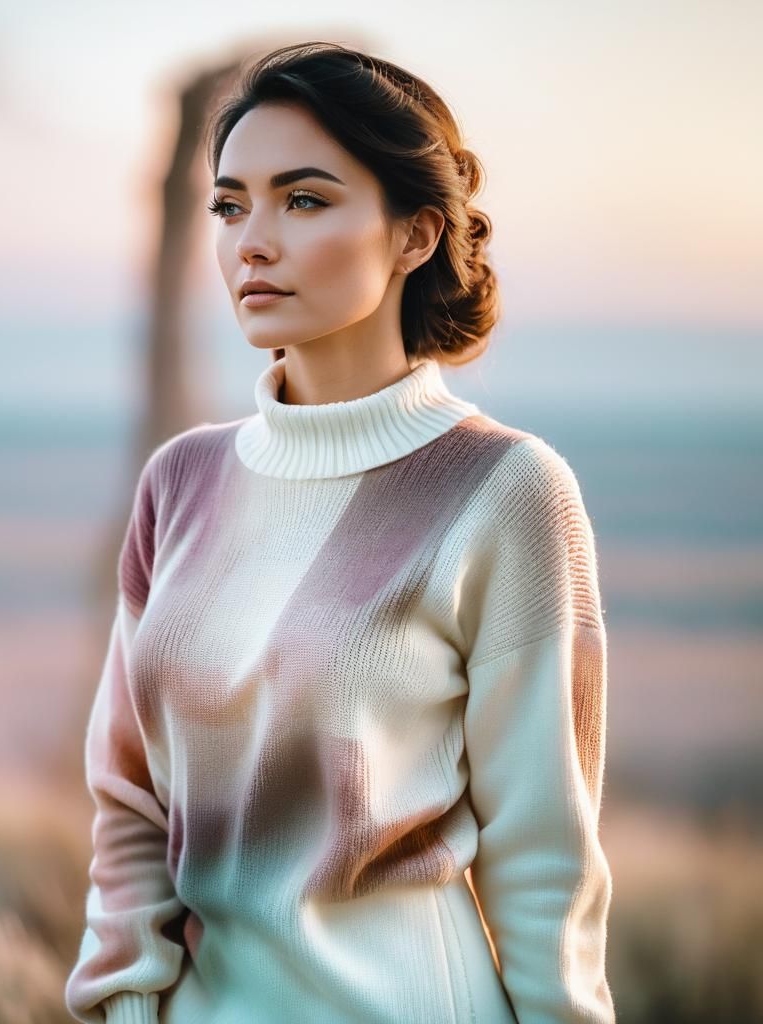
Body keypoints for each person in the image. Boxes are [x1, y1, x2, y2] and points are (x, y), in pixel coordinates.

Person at [65, 40, 614, 1024]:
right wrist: (130, 1008)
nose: (251, 241)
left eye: (304, 199)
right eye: (230, 204)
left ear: (414, 235)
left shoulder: (505, 488)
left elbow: (545, 861)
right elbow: (130, 803)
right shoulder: (181, 481)